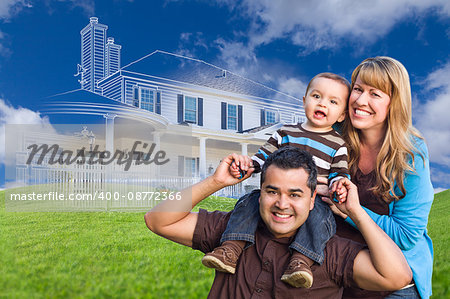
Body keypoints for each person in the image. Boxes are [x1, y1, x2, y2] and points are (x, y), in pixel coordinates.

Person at [144, 147, 412, 298]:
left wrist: (356, 212)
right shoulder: (232, 230)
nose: (282, 204)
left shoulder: (329, 251)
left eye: (295, 195)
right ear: (259, 195)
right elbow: (158, 221)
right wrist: (216, 182)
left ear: (311, 200)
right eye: (272, 192)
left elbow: (396, 276)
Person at [201, 72, 351, 288]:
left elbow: (340, 174)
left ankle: (301, 262)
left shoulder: (338, 144)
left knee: (320, 217)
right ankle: (230, 248)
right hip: (277, 193)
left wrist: (339, 186)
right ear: (304, 101)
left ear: (341, 115)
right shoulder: (285, 133)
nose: (323, 104)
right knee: (249, 201)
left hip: (313, 199)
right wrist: (247, 166)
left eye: (333, 101)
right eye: (316, 96)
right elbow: (262, 158)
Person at [327, 56, 434, 299]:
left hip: (394, 278)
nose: (360, 101)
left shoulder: (411, 153)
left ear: (394, 103)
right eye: (357, 89)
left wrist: (349, 211)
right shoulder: (333, 135)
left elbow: (406, 235)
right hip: (338, 265)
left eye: (375, 94)